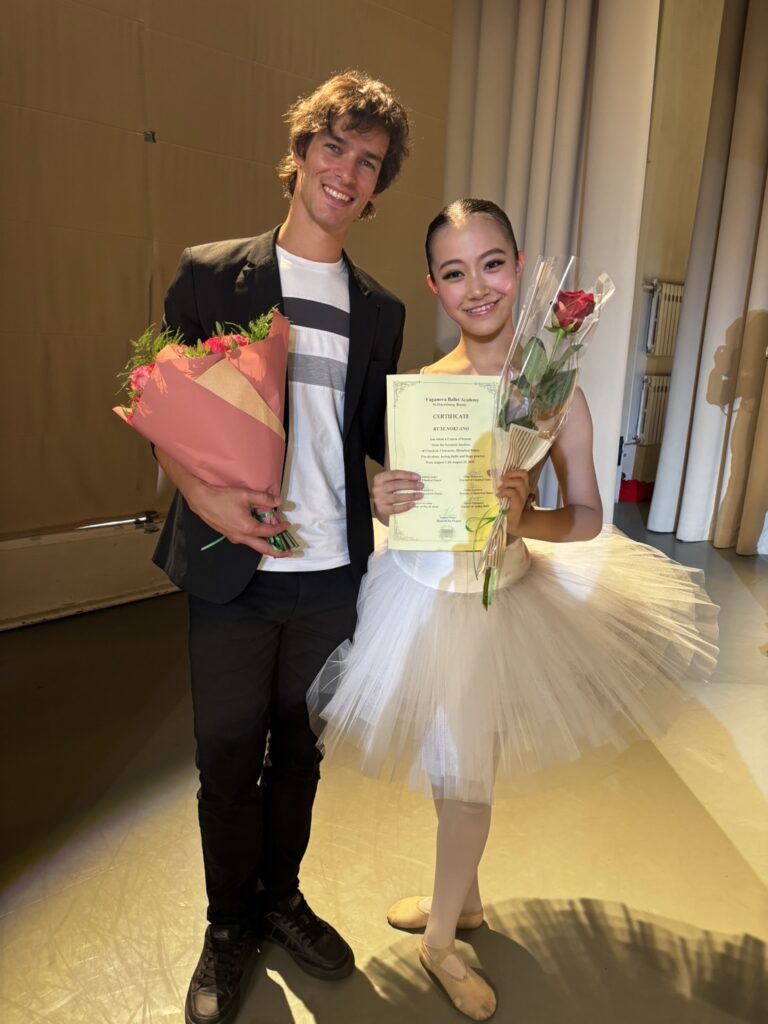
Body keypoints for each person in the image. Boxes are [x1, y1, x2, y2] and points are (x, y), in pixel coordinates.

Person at [309, 198, 718, 1020]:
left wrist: (524, 516)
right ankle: (462, 901)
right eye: (455, 272)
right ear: (435, 285)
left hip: (493, 608)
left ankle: (438, 945)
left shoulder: (552, 393)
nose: (478, 287)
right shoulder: (421, 390)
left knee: (468, 783)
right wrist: (383, 498)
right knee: (446, 766)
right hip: (417, 597)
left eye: (492, 264)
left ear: (521, 268)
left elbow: (589, 516)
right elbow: (405, 502)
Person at [152, 71, 411, 1024]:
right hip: (235, 572)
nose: (347, 171)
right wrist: (205, 499)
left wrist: (402, 476)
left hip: (331, 578)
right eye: (334, 147)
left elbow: (371, 437)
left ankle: (281, 901)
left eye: (369, 162)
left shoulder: (381, 311)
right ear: (300, 152)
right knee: (227, 761)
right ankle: (229, 925)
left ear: (377, 188)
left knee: (299, 758)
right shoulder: (210, 275)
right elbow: (163, 408)